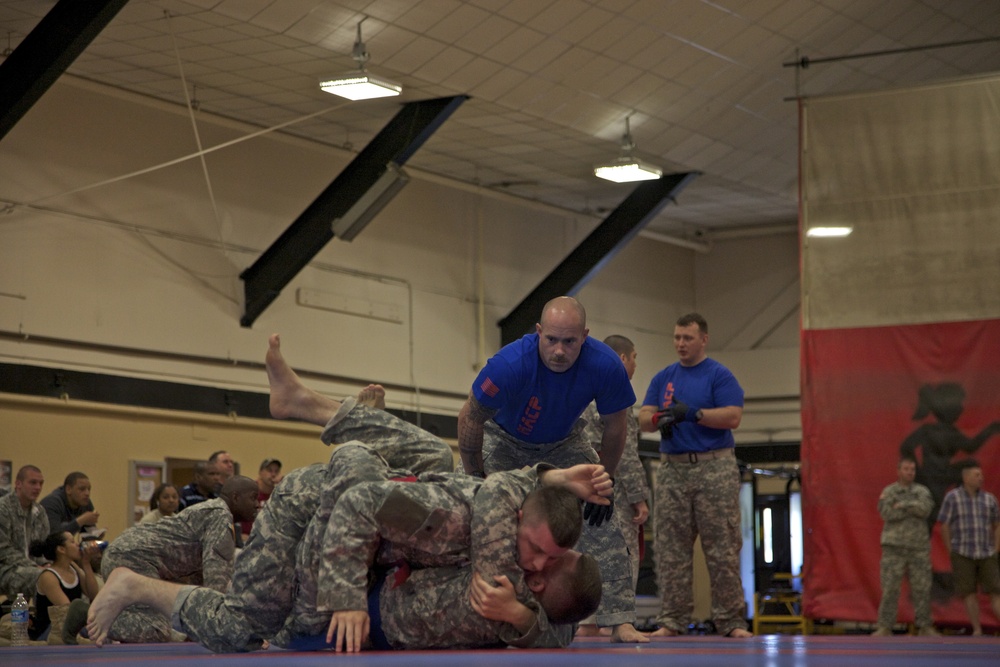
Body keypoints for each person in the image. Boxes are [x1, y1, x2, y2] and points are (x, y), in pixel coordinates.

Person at [89, 333, 608, 652]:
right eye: (537, 553)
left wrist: (522, 616)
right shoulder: (479, 527)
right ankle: (135, 586)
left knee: (433, 459)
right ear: (516, 519)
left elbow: (562, 619)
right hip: (313, 505)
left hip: (365, 528)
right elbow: (370, 503)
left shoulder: (520, 582)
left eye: (546, 562)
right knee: (243, 628)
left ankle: (330, 414)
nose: (532, 570)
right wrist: (346, 601)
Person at [457, 296, 645, 643]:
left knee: (602, 505)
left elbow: (616, 427)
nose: (559, 351)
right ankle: (472, 612)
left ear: (585, 336)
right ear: (539, 332)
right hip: (502, 439)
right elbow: (470, 418)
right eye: (551, 340)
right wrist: (474, 477)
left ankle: (620, 620)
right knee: (467, 511)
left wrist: (606, 474)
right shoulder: (509, 364)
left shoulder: (605, 366)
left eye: (570, 342)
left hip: (564, 442)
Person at [638, 312, 752, 638]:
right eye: (676, 337)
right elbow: (643, 417)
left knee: (722, 548)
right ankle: (673, 620)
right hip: (673, 468)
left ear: (703, 339)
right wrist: (661, 417)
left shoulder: (719, 375)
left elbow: (733, 416)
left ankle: (730, 621)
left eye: (687, 338)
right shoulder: (664, 377)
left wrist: (695, 414)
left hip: (714, 467)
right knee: (671, 549)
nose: (680, 344)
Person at [97, 475, 259, 642]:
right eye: (253, 498)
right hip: (133, 557)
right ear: (235, 497)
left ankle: (101, 615)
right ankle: (89, 617)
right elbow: (215, 588)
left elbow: (199, 585)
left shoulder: (213, 511)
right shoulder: (220, 517)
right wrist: (244, 632)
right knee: (157, 630)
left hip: (128, 552)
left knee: (164, 624)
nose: (257, 504)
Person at [576, 334, 650, 637]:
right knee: (621, 550)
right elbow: (626, 453)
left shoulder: (581, 386)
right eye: (633, 358)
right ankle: (618, 621)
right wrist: (638, 497)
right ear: (622, 359)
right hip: (609, 482)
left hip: (576, 478)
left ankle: (585, 620)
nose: (634, 365)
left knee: (582, 549)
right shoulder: (614, 390)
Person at [872, 456, 937, 636]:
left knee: (922, 588)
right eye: (906, 469)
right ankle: (885, 626)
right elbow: (886, 512)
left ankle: (925, 626)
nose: (910, 473)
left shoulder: (922, 491)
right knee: (890, 587)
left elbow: (925, 510)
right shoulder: (889, 491)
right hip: (894, 547)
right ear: (898, 471)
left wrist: (903, 505)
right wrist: (912, 508)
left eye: (913, 470)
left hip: (918, 547)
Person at [937, 460, 1000, 636]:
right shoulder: (952, 497)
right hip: (962, 552)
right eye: (976, 475)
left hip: (986, 552)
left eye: (981, 475)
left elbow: (997, 525)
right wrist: (951, 550)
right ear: (965, 477)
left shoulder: (989, 499)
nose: (981, 478)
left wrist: (996, 548)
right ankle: (977, 629)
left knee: (996, 591)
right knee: (968, 593)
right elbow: (944, 525)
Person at [28, 532, 100, 643]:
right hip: (50, 630)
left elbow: (93, 594)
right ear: (61, 549)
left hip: (71, 625)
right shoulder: (48, 576)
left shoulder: (73, 567)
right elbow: (67, 610)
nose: (77, 545)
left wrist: (86, 563)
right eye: (72, 542)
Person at [0, 465, 50, 600]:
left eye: (41, 483)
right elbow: (3, 551)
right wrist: (35, 566)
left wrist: (47, 564)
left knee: (64, 575)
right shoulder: (3, 509)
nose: (38, 487)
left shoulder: (40, 512)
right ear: (18, 484)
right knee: (47, 578)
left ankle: (43, 619)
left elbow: (43, 548)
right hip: (5, 568)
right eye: (33, 482)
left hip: (32, 567)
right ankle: (62, 617)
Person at [40, 472, 99, 536]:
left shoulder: (85, 502)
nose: (87, 493)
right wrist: (80, 521)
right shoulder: (51, 503)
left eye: (89, 489)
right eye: (82, 489)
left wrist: (96, 535)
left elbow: (88, 533)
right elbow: (54, 535)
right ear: (68, 489)